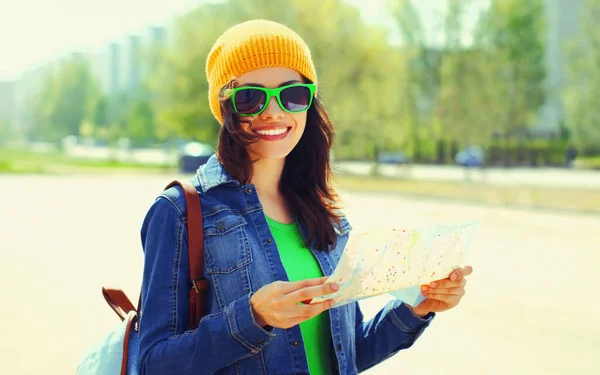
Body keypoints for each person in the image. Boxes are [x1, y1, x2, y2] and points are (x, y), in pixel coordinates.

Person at [138, 19, 473, 375]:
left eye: (292, 94)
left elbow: (348, 353)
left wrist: (418, 308)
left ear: (308, 103)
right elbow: (153, 364)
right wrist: (252, 318)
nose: (274, 111)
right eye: (250, 96)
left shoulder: (325, 216)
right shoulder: (180, 213)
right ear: (226, 108)